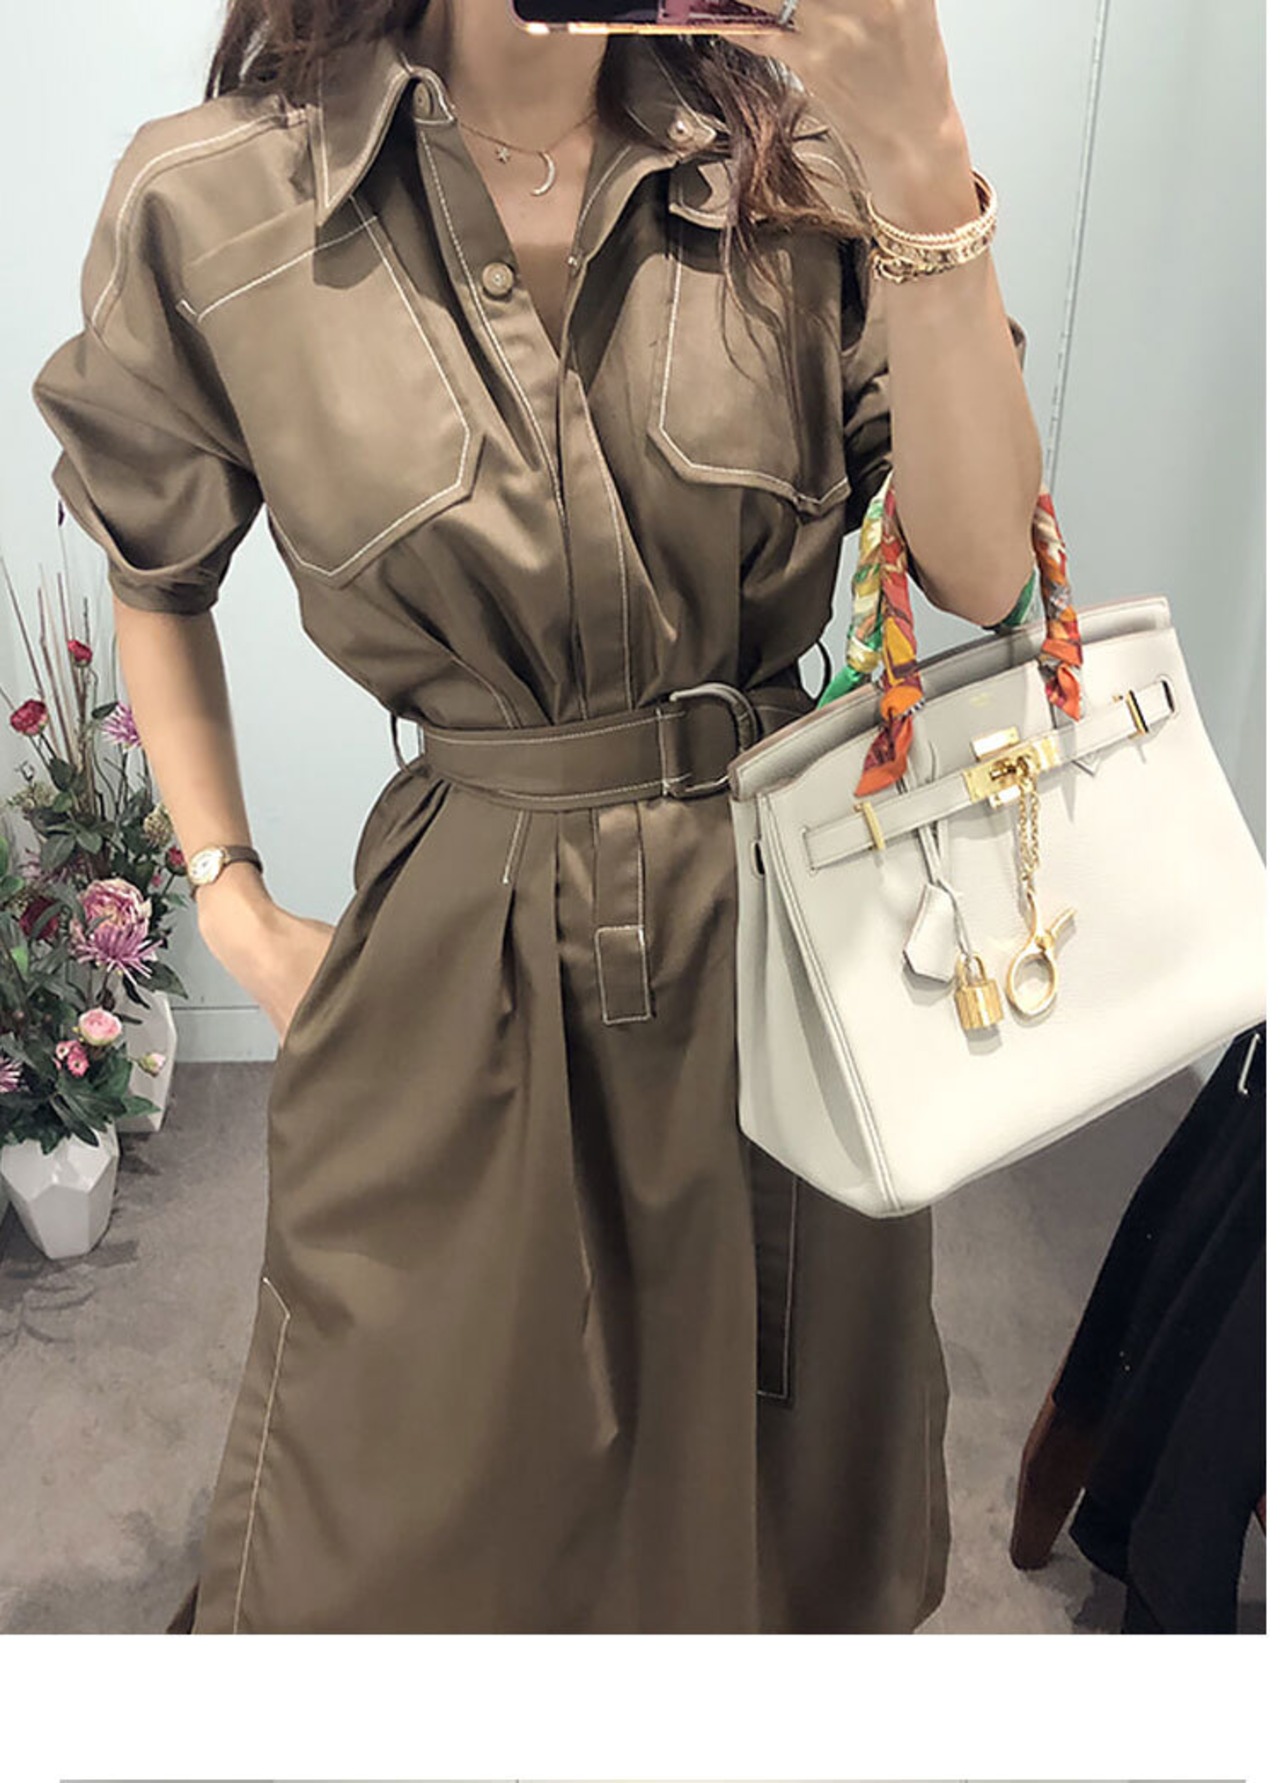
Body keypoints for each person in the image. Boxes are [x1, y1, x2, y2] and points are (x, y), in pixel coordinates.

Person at [30, 0, 1040, 1632]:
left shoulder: (805, 169)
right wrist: (228, 894)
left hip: (777, 946)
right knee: (394, 1503)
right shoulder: (219, 200)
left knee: (768, 1518)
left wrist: (925, 162)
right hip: (461, 947)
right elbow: (156, 565)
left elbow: (984, 570)